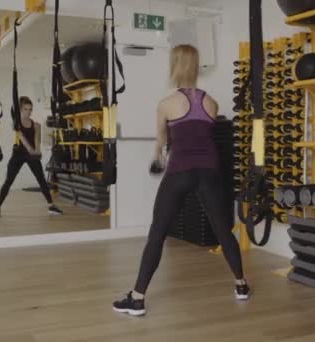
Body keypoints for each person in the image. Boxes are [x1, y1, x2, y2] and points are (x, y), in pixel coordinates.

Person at [112, 45, 249, 316]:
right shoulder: (212, 102)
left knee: (158, 232)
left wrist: (156, 158)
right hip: (209, 171)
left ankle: (137, 298)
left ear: (174, 66)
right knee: (223, 230)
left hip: (180, 171)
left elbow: (162, 144)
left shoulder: (166, 104)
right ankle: (241, 284)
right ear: (196, 66)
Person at [0, 96, 63, 217]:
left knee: (41, 180)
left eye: (30, 109)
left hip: (32, 155)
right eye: (26, 109)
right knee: (8, 181)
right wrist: (32, 151)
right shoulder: (16, 124)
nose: (28, 112)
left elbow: (36, 142)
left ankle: (51, 206)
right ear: (20, 109)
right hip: (18, 154)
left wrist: (38, 152)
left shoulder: (36, 125)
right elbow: (23, 140)